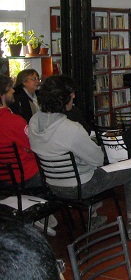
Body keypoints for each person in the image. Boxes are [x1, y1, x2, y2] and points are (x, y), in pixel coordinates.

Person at [28, 75, 131, 240]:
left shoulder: (33, 122)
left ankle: (94, 217)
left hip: (52, 185)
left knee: (85, 166)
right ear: (62, 98)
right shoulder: (71, 128)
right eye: (71, 93)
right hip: (80, 186)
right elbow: (97, 159)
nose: (73, 96)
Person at [0, 75, 58, 236]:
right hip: (25, 176)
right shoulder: (15, 121)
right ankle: (40, 213)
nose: (13, 90)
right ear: (2, 96)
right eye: (9, 89)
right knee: (58, 169)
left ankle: (42, 214)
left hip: (3, 179)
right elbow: (34, 147)